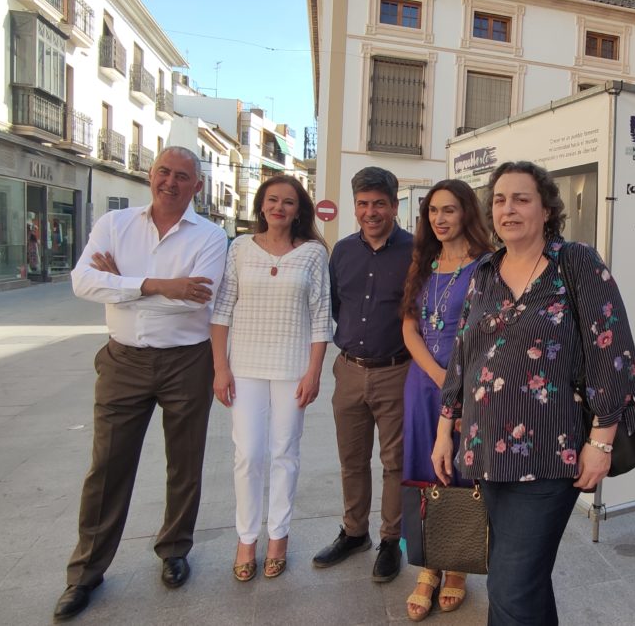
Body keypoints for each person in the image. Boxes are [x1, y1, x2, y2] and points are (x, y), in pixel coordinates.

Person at [431, 161, 635, 625]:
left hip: (552, 451)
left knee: (511, 581)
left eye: (522, 199)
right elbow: (463, 356)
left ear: (546, 209)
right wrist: (445, 430)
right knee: (522, 577)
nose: (509, 209)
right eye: (501, 200)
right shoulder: (485, 271)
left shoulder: (575, 262)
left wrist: (601, 441)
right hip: (487, 450)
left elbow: (613, 351)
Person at [54, 146, 228, 621]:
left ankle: (175, 549)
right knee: (106, 466)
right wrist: (157, 285)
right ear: (152, 175)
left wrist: (125, 283)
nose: (170, 182)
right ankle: (85, 572)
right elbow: (82, 282)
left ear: (197, 186)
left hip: (187, 362)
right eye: (164, 173)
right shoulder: (114, 225)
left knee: (184, 462)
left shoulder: (211, 236)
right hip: (123, 360)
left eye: (183, 176)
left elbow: (197, 302)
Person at [210, 175, 332, 581]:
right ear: (261, 205)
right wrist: (220, 367)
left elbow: (320, 316)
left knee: (285, 453)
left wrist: (314, 371)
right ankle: (247, 537)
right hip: (243, 367)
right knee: (247, 454)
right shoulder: (241, 248)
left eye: (289, 202)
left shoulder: (313, 253)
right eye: (273, 200)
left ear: (300, 210)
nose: (280, 207)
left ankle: (278, 535)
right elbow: (223, 307)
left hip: (292, 368)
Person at [312, 166, 413, 583]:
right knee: (352, 460)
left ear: (393, 205)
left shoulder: (416, 250)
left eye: (379, 204)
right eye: (363, 204)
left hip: (397, 371)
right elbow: (337, 304)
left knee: (395, 463)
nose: (371, 212)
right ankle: (355, 533)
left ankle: (391, 540)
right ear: (356, 207)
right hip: (350, 370)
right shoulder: (343, 251)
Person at [399, 180, 495, 621]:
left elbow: (489, 333)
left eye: (449, 210)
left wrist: (454, 385)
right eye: (433, 211)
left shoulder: (487, 265)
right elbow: (409, 327)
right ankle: (429, 564)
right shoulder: (423, 260)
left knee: (457, 471)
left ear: (467, 214)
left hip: (469, 382)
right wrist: (438, 377)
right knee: (423, 468)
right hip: (423, 385)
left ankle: (457, 564)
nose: (440, 219)